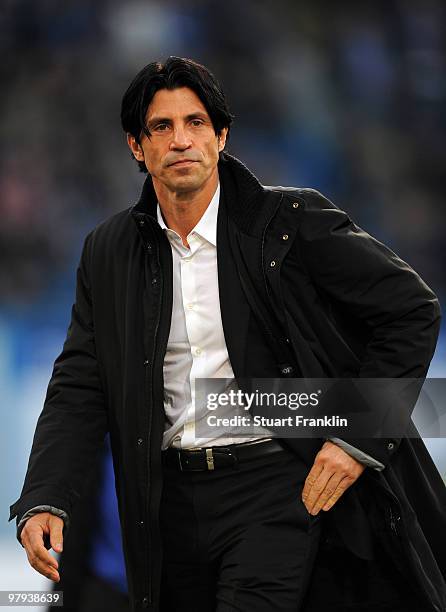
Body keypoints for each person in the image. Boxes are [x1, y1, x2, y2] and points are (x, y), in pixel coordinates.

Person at [10, 57, 446, 612]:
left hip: (275, 486)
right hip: (162, 504)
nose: (181, 140)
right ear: (136, 147)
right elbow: (79, 383)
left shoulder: (291, 222)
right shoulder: (108, 251)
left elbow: (412, 311)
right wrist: (47, 495)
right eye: (161, 127)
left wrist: (356, 436)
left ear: (222, 135)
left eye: (195, 123)